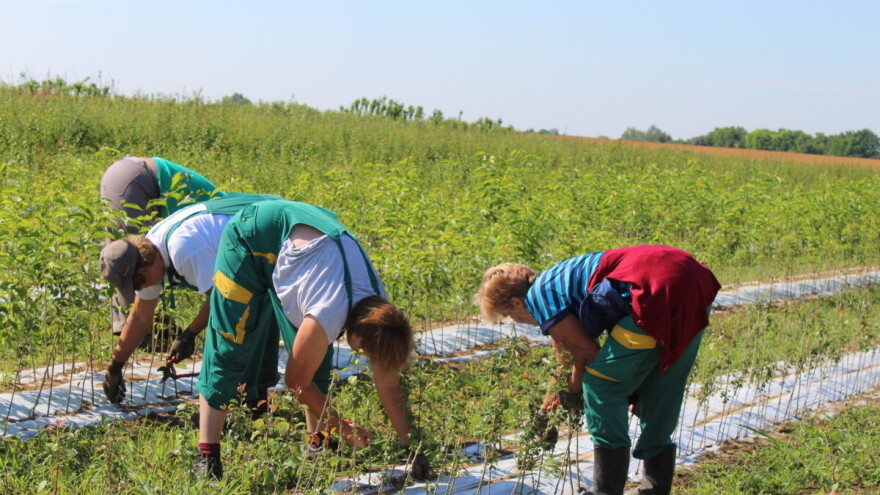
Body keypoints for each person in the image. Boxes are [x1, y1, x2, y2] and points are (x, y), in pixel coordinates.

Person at [195, 199, 430, 481]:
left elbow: (390, 386)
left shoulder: (379, 310)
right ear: (356, 333)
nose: (364, 355)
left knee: (317, 363)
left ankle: (316, 446)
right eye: (365, 351)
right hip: (251, 236)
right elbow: (295, 381)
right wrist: (342, 426)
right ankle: (207, 456)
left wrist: (413, 447)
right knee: (229, 345)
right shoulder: (328, 311)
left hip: (306, 244)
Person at [476, 245, 720, 495]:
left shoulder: (540, 297)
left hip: (654, 290)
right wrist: (546, 412)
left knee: (601, 383)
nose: (518, 322)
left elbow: (586, 353)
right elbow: (564, 359)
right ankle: (655, 489)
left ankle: (605, 491)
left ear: (517, 302)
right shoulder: (558, 285)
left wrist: (573, 392)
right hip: (693, 281)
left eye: (510, 316)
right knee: (660, 383)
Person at [99, 193, 281, 406]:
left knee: (238, 326)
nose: (141, 290)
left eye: (139, 284)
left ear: (146, 268)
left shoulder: (182, 250)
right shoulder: (152, 252)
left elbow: (223, 302)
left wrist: (189, 334)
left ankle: (244, 404)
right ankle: (250, 402)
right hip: (254, 250)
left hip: (272, 234)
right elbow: (139, 317)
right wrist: (115, 367)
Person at [100, 155, 226, 335]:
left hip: (122, 175)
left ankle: (140, 328)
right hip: (138, 178)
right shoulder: (215, 215)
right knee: (131, 260)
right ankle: (143, 330)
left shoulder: (213, 214)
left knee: (131, 260)